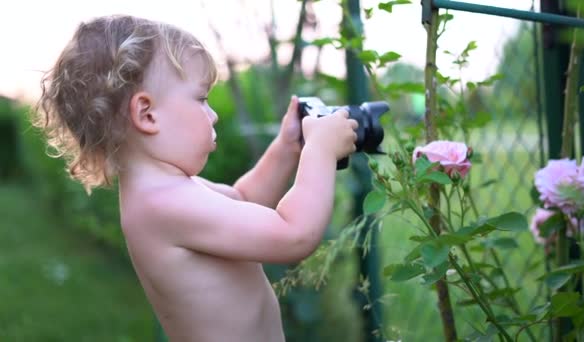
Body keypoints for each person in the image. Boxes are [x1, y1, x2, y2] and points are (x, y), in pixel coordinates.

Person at [34, 15, 358, 342]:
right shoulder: (164, 205)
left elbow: (242, 200)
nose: (213, 113)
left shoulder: (167, 193)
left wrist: (286, 148)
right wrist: (321, 150)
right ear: (147, 114)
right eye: (201, 98)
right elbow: (295, 235)